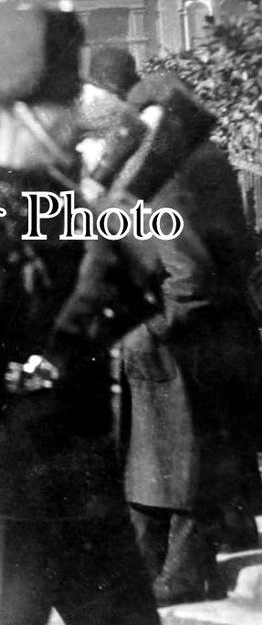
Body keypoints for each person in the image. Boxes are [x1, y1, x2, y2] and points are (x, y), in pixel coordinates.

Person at [0, 5, 160, 624]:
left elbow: (119, 303)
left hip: (86, 485)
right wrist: (13, 384)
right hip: (7, 498)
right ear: (16, 110)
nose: (75, 116)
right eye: (61, 101)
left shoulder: (59, 200)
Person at [117, 74, 262, 604]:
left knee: (174, 464)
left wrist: (148, 329)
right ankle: (164, 567)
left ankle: (182, 573)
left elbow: (188, 276)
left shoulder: (169, 181)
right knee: (172, 460)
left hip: (177, 344)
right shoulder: (207, 165)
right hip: (207, 339)